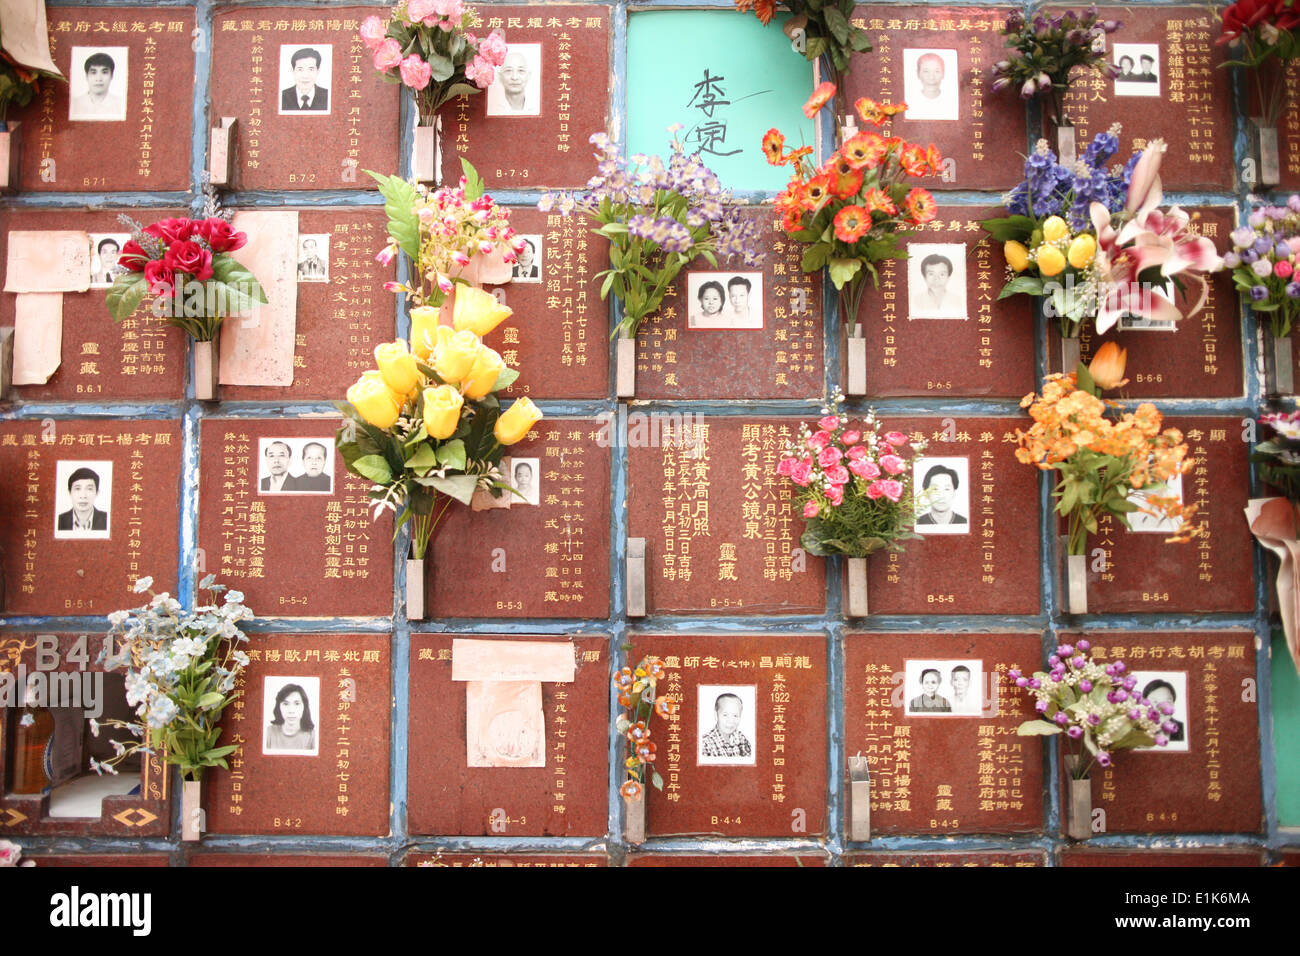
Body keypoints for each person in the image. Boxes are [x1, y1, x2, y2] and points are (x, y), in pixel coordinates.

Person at [70, 51, 125, 121]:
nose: (99, 79)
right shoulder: (75, 104)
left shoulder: (120, 105)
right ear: (86, 76)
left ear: (112, 76)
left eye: (104, 72)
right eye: (93, 72)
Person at [265, 683, 316, 751]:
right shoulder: (268, 732)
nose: (291, 711)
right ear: (279, 707)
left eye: (297, 704)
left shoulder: (312, 736)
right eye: (286, 704)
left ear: (305, 706)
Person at [57, 466, 108, 533]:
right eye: (77, 489)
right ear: (69, 492)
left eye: (89, 489)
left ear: (97, 493)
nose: (83, 496)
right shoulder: (59, 520)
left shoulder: (107, 519)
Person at [912, 253, 963, 318]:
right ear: (924, 277)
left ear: (948, 277)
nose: (936, 279)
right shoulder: (915, 302)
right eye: (931, 274)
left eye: (942, 274)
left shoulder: (958, 301)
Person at [701, 692, 751, 758]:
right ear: (716, 715)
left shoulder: (741, 738)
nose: (730, 721)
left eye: (735, 716)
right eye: (725, 715)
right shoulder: (705, 744)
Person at [488, 49, 532, 114]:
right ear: (500, 76)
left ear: (529, 76)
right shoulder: (491, 109)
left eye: (521, 71)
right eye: (508, 71)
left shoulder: (536, 109)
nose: (514, 77)